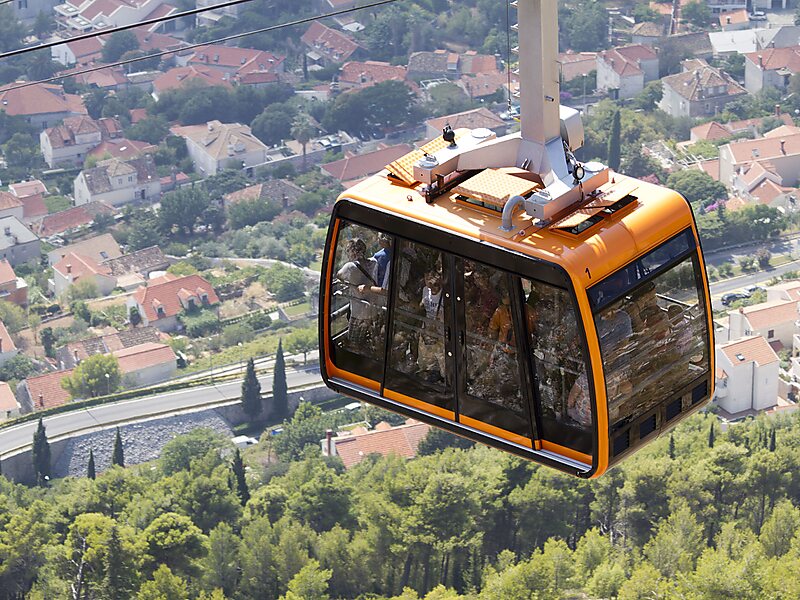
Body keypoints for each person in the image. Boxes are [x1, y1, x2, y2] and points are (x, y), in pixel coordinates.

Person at [336, 238, 378, 352]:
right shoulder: (374, 262)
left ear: (353, 252)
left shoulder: (350, 266)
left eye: (348, 251)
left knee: (354, 345)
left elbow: (339, 276)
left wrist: (349, 283)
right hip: (374, 311)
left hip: (359, 314)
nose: (348, 254)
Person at [417, 270, 445, 382]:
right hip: (427, 332)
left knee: (443, 367)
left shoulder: (444, 295)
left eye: (431, 278)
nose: (429, 282)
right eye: (427, 278)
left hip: (440, 334)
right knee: (425, 363)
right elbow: (422, 306)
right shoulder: (425, 290)